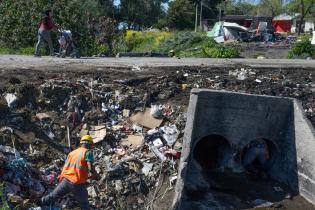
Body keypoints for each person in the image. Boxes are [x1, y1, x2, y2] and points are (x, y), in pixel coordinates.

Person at [41, 135, 100, 210]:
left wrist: (61, 177)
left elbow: (66, 166)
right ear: (90, 143)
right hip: (77, 183)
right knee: (84, 204)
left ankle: (39, 203)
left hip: (66, 180)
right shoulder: (87, 152)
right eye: (91, 144)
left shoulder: (72, 153)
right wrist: (96, 175)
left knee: (53, 196)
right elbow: (90, 167)